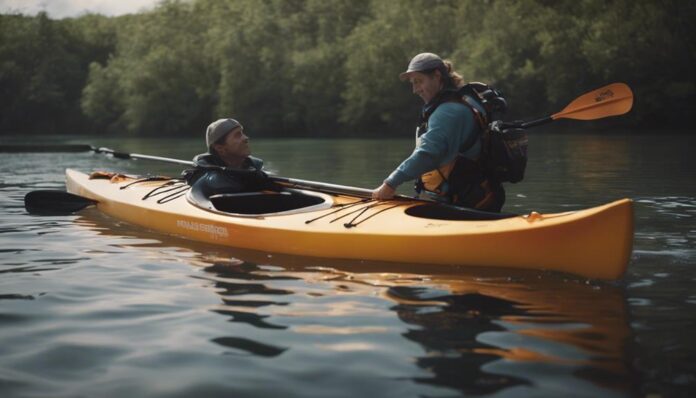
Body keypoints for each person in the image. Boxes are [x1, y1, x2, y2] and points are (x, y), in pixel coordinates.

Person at [371, 53, 505, 212]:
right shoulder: (456, 103)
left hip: (465, 207)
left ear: (436, 76)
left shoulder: (449, 112)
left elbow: (428, 153)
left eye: (419, 81)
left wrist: (390, 183)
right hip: (462, 201)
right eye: (412, 83)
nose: (415, 90)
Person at [185, 118, 275, 196]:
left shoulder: (257, 173)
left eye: (242, 133)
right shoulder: (205, 180)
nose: (246, 138)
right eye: (237, 135)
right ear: (220, 148)